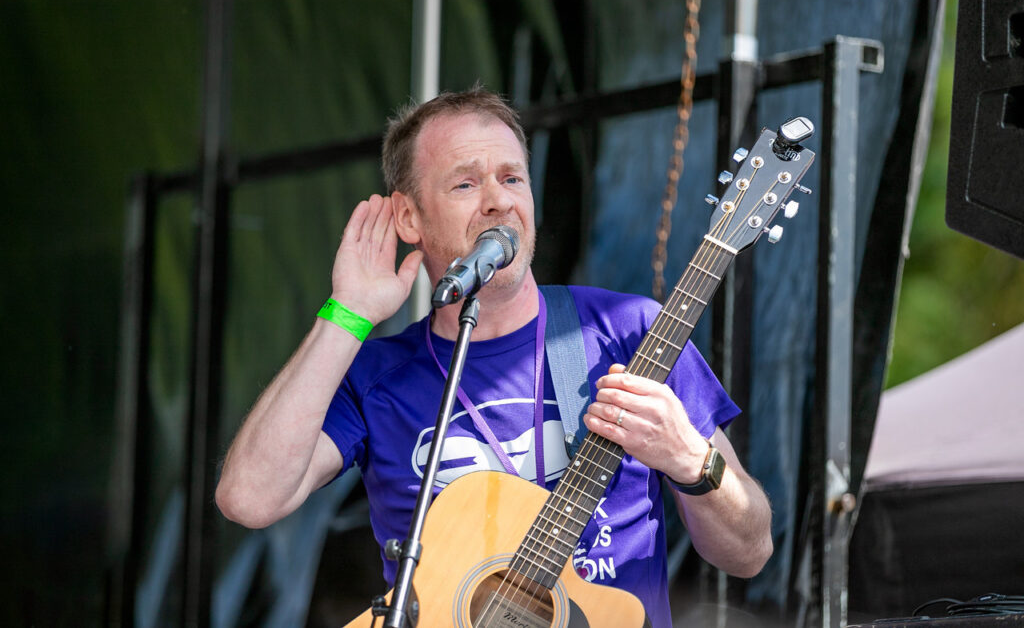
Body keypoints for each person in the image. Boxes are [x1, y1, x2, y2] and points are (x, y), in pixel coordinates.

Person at [215, 88, 772, 627]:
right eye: (465, 183)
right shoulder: (378, 376)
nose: (499, 200)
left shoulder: (629, 331)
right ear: (409, 219)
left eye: (512, 178)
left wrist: (692, 460)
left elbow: (751, 550)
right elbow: (248, 499)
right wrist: (348, 313)